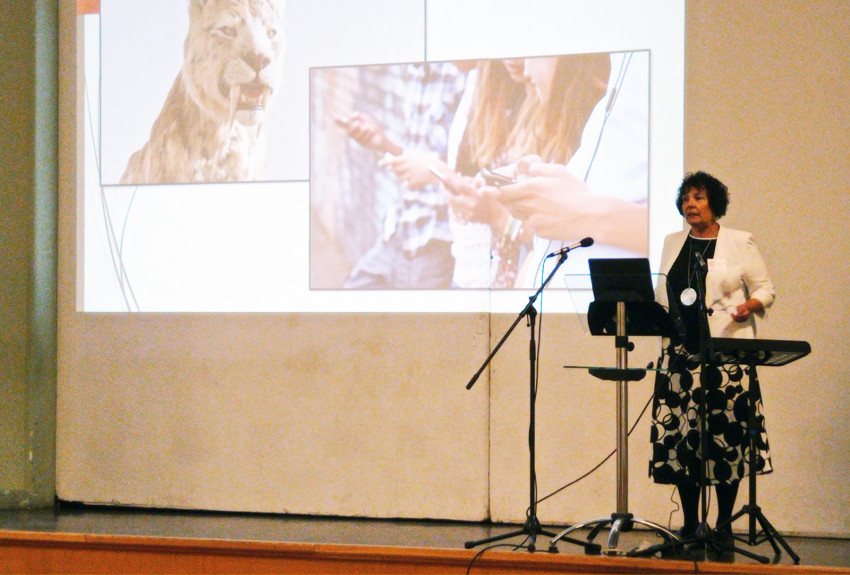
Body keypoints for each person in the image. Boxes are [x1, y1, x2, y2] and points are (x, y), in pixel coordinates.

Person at [649, 171, 776, 550]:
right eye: (686, 198)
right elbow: (663, 292)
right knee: (683, 440)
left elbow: (766, 288)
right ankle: (690, 523)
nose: (690, 204)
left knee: (725, 439)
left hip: (725, 358)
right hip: (679, 357)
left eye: (699, 197)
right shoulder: (672, 242)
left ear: (714, 203)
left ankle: (722, 525)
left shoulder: (739, 241)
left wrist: (750, 305)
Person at [334, 61, 468, 289]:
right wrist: (383, 142)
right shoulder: (417, 71)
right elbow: (419, 158)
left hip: (435, 243)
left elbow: (474, 174)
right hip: (401, 229)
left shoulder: (463, 73)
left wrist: (434, 172)